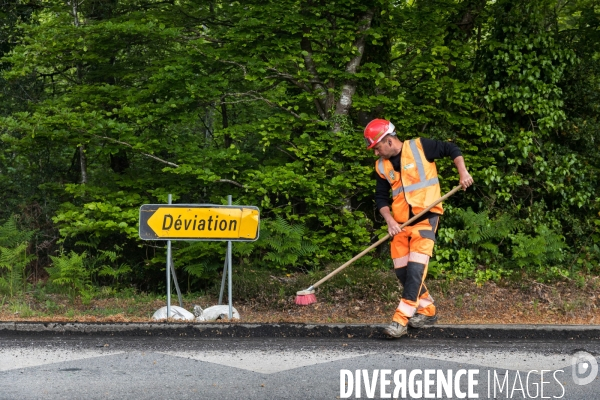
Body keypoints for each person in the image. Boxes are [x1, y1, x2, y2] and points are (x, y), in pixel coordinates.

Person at [363, 119, 474, 338]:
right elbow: (381, 197)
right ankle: (428, 310)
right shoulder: (381, 167)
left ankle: (400, 320)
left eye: (377, 147)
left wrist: (463, 172)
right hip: (400, 225)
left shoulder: (419, 147)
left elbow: (452, 149)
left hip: (426, 217)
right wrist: (390, 221)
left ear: (388, 140)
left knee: (415, 271)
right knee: (403, 272)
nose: (376, 153)